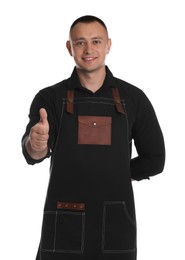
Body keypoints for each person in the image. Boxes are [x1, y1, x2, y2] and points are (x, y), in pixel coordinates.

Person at [22, 15, 165, 260]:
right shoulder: (50, 98)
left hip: (116, 223)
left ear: (108, 45)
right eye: (80, 43)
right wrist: (36, 144)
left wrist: (117, 172)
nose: (89, 49)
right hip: (63, 221)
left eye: (96, 41)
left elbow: (155, 159)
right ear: (70, 48)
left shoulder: (134, 98)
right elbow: (34, 154)